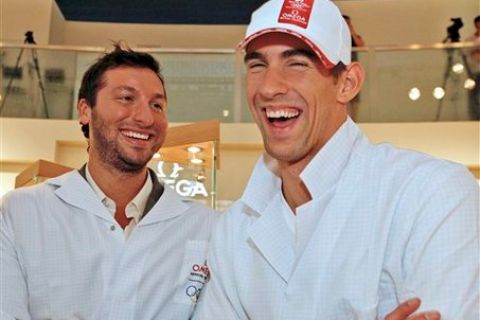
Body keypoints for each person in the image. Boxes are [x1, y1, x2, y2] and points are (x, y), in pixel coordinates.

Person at [194, 1, 479, 319]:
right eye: (257, 65)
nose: (269, 87)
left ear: (348, 83)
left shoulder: (431, 194)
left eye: (297, 63)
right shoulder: (233, 228)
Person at [0, 45, 216, 319]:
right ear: (85, 110)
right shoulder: (21, 213)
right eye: (126, 98)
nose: (146, 117)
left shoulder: (206, 226)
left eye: (157, 105)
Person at [466, 15, 480, 119]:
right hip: (473, 70)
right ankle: (475, 116)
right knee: (473, 94)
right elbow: (466, 50)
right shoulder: (470, 38)